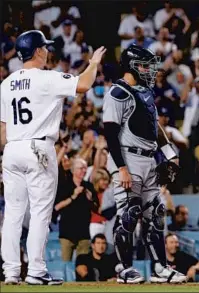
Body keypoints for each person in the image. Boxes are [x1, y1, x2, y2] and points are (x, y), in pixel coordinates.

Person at [0, 30, 105, 285]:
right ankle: (35, 271)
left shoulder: (6, 83)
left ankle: (11, 271)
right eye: (44, 47)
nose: (47, 51)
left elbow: (2, 129)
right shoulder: (46, 78)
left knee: (13, 214)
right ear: (37, 51)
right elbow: (83, 84)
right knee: (39, 213)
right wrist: (92, 63)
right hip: (37, 148)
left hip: (12, 148)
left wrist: (14, 149)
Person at [102, 44, 186, 284]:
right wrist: (121, 168)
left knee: (157, 214)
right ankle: (124, 268)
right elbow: (110, 134)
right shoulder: (118, 92)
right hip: (128, 158)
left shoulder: (146, 92)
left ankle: (160, 268)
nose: (150, 70)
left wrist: (170, 153)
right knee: (129, 214)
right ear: (132, 65)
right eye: (145, 65)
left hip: (149, 159)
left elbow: (154, 127)